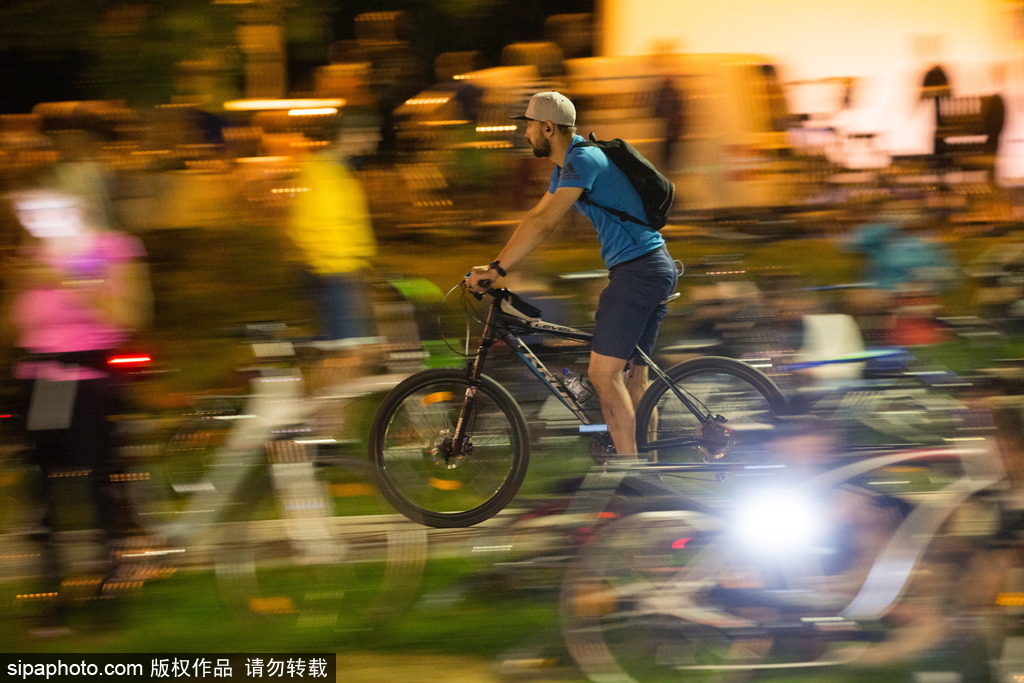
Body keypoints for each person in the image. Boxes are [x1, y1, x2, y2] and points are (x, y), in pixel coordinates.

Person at [465, 91, 679, 458]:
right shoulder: (568, 167)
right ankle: (652, 474)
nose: (526, 134)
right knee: (634, 378)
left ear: (548, 127)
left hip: (638, 272)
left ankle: (633, 476)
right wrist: (498, 266)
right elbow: (536, 217)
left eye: (530, 127)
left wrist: (497, 269)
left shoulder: (582, 159)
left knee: (602, 374)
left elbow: (545, 222)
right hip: (651, 266)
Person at [3, 186, 152, 630]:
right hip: (41, 380)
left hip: (88, 381)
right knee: (43, 492)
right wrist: (23, 279)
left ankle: (108, 590)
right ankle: (52, 594)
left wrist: (68, 275)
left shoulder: (113, 248)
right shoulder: (34, 253)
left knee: (99, 487)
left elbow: (125, 315)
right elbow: (15, 323)